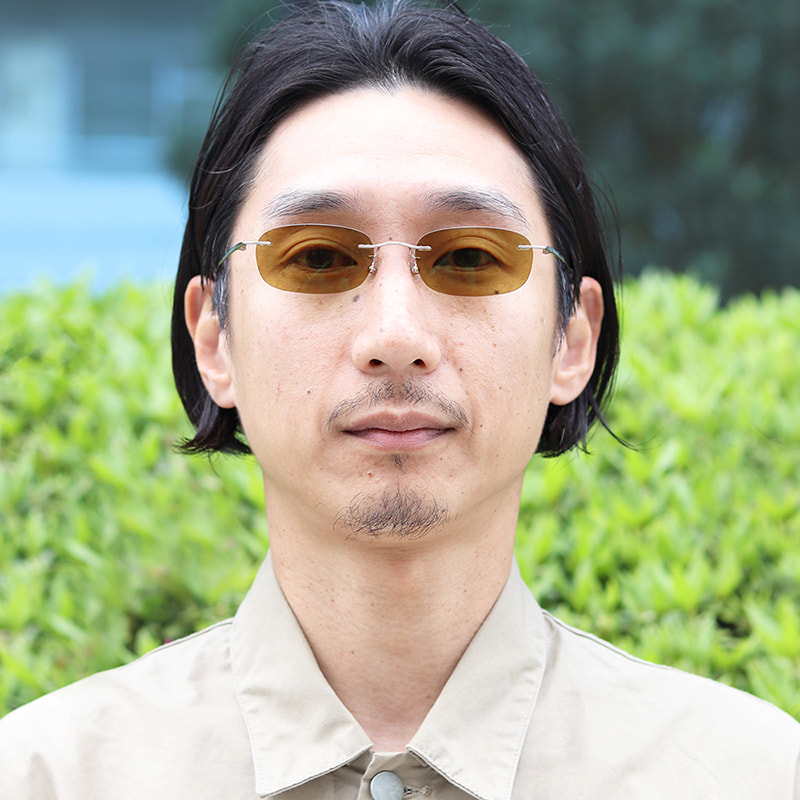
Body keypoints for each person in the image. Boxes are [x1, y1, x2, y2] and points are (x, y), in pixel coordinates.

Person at [1, 1, 798, 798]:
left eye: (469, 257)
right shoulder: (48, 776)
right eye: (317, 257)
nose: (394, 335)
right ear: (214, 338)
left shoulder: (747, 776)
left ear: (572, 338)